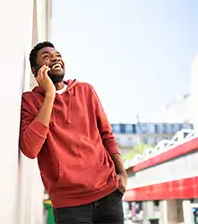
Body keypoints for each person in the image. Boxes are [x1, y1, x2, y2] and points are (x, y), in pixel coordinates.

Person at [19, 41, 128, 224]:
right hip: (69, 203)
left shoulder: (86, 90)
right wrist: (50, 95)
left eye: (58, 55)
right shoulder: (31, 101)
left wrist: (122, 173)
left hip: (108, 194)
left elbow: (106, 134)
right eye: (46, 56)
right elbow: (30, 149)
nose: (55, 58)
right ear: (35, 70)